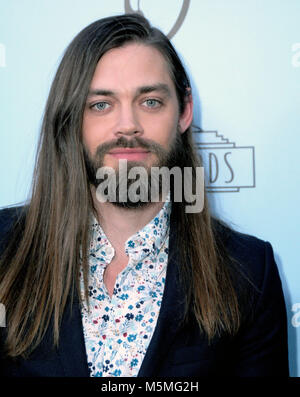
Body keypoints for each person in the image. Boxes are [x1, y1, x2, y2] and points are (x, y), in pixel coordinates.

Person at [0, 13, 288, 377]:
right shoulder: (4, 248)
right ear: (72, 119)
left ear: (184, 111)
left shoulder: (247, 272)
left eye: (150, 101)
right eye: (101, 104)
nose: (128, 125)